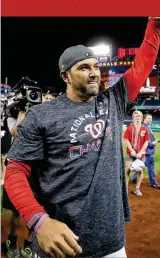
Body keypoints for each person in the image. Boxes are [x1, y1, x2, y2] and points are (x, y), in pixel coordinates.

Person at [4, 17, 160, 258]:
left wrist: (154, 26)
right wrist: (38, 221)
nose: (94, 73)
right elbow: (15, 171)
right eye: (84, 67)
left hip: (112, 244)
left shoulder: (113, 101)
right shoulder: (42, 115)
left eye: (96, 66)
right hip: (60, 245)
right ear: (65, 76)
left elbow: (143, 64)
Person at [2, 103, 33, 258]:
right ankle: (12, 239)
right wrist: (23, 111)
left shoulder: (40, 115)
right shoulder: (10, 118)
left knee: (37, 208)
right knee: (15, 211)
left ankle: (29, 243)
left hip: (35, 168)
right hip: (17, 167)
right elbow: (16, 132)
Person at [123, 111, 150, 196]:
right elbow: (126, 139)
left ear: (142, 118)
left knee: (140, 171)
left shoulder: (144, 129)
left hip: (140, 154)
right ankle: (125, 187)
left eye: (139, 116)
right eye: (136, 116)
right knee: (127, 170)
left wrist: (141, 152)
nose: (138, 117)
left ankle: (137, 189)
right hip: (130, 153)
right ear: (133, 118)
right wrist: (131, 150)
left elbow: (146, 142)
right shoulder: (129, 128)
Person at [132, 113, 160, 189]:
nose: (151, 120)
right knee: (151, 168)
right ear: (144, 119)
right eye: (149, 118)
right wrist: (152, 144)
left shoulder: (146, 126)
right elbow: (143, 141)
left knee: (140, 166)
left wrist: (154, 142)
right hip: (147, 152)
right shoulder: (144, 127)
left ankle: (134, 179)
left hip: (144, 152)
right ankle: (153, 183)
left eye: (151, 118)